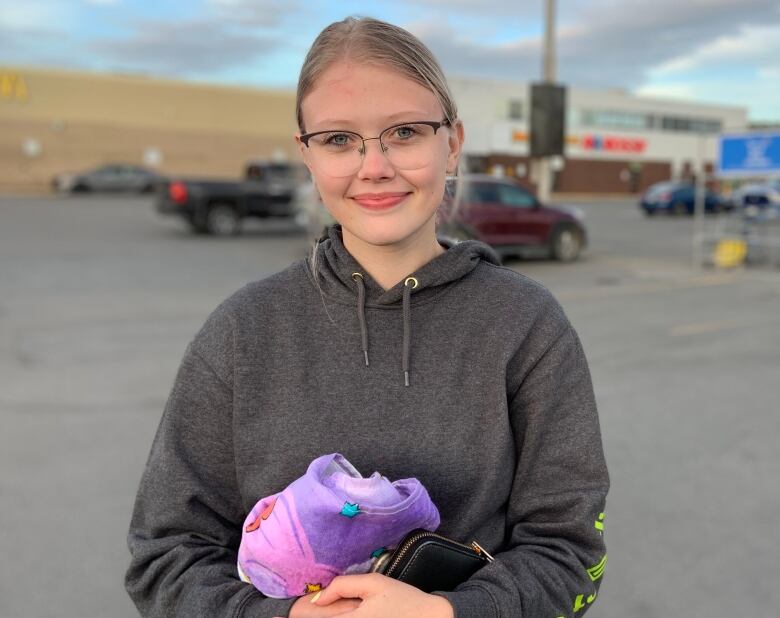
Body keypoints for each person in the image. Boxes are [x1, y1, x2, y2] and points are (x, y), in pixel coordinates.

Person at [125, 16, 609, 618]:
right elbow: (165, 556)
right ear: (306, 154)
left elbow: (570, 554)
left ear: (451, 143)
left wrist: (450, 613)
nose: (374, 166)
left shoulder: (526, 325)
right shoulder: (243, 331)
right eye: (338, 139)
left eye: (404, 132)